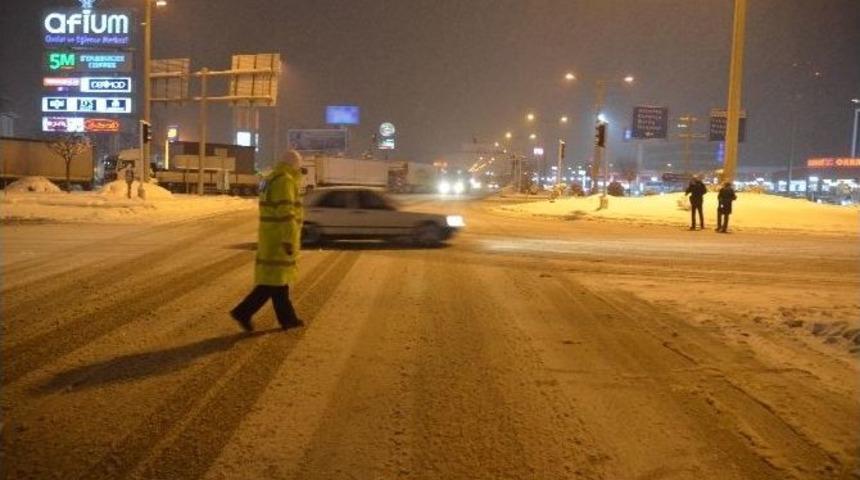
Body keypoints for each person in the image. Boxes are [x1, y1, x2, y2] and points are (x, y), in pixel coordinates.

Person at [231, 150, 304, 331]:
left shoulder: (270, 178)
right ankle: (243, 312)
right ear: (295, 165)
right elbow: (286, 212)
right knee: (274, 282)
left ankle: (287, 319)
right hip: (279, 239)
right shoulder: (285, 181)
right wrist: (288, 239)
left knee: (277, 282)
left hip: (270, 236)